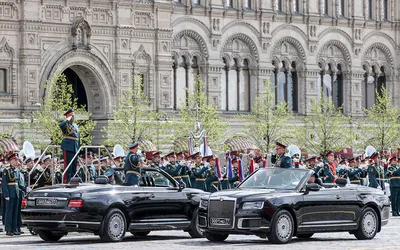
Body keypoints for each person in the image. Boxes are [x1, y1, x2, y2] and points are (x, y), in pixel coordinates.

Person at [1, 152, 21, 236]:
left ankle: (14, 228)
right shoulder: (6, 170)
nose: (16, 161)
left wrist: (25, 189)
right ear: (10, 160)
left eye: (17, 160)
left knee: (15, 212)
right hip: (10, 192)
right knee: (9, 212)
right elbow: (4, 183)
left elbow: (18, 182)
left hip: (16, 192)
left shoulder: (17, 170)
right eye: (15, 160)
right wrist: (6, 194)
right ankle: (8, 230)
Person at [59, 109, 80, 183]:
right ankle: (68, 180)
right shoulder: (65, 124)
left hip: (75, 147)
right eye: (71, 117)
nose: (73, 118)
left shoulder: (75, 126)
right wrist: (67, 119)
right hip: (68, 146)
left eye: (73, 117)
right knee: (69, 164)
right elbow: (61, 125)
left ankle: (73, 178)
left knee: (74, 164)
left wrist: (78, 148)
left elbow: (78, 138)